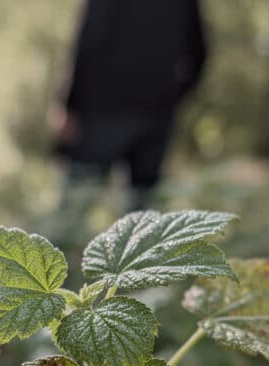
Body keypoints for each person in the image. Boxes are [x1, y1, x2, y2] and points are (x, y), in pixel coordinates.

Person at [53, 0, 208, 211]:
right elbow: (199, 53)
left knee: (72, 211)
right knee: (143, 223)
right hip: (155, 113)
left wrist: (69, 105)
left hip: (100, 112)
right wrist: (172, 96)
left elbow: (88, 41)